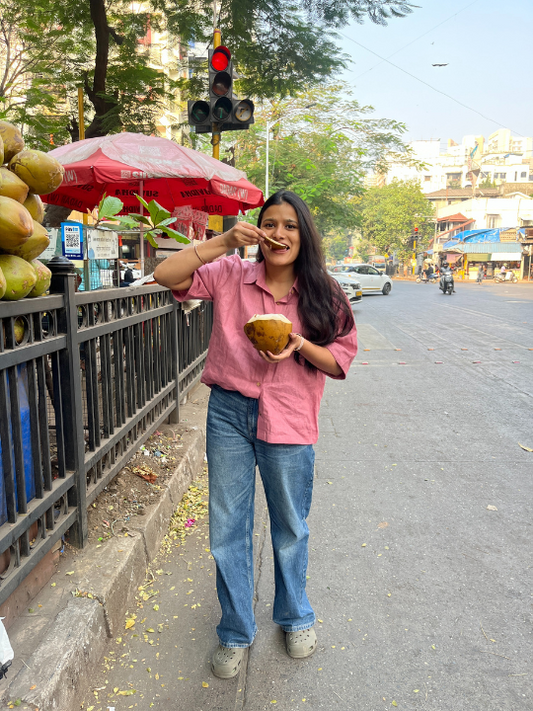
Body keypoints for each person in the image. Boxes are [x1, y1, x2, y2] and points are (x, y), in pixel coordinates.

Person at [154, 190, 357, 679]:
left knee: (290, 525)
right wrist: (223, 240)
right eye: (271, 224)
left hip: (289, 415)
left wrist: (299, 344)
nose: (279, 234)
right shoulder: (230, 274)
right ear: (258, 231)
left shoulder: (324, 293)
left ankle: (294, 615)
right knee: (227, 525)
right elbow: (166, 275)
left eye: (290, 225)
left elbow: (339, 360)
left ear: (303, 235)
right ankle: (235, 629)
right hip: (228, 412)